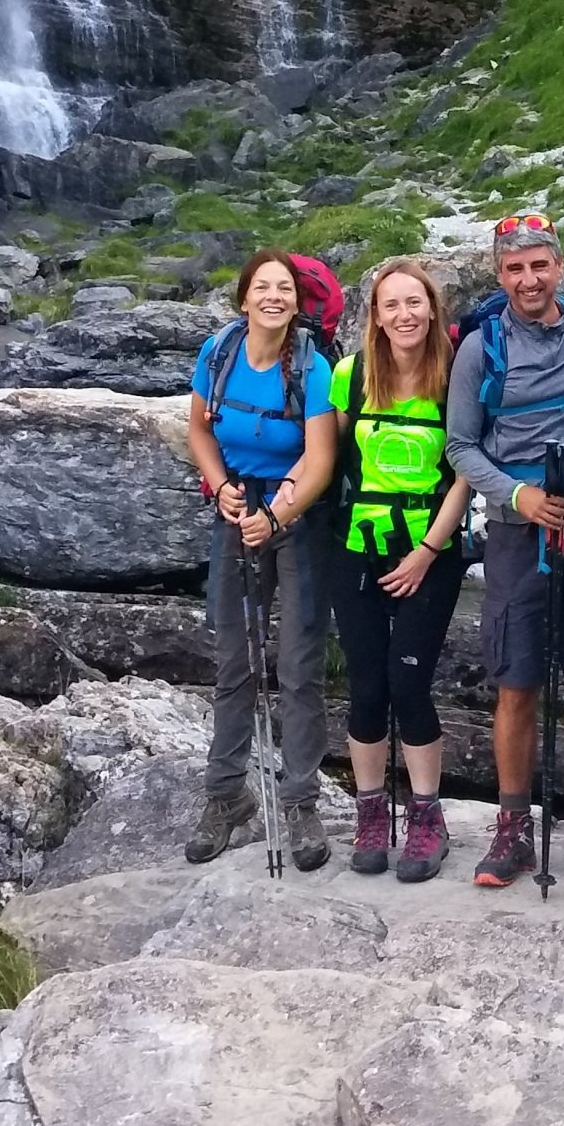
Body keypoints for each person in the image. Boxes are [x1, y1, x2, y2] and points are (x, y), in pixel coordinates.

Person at [446, 210, 564, 887]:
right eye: (515, 268)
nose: (529, 278)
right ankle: (512, 827)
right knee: (516, 683)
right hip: (519, 534)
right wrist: (516, 496)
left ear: (559, 265)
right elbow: (460, 444)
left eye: (539, 264)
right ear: (501, 274)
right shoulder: (479, 349)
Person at [183, 249, 340, 871]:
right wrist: (220, 486)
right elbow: (199, 429)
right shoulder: (217, 353)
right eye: (262, 288)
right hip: (235, 507)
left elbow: (321, 458)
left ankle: (301, 801)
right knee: (233, 661)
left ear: (298, 305)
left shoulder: (312, 365)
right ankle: (227, 795)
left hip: (296, 518)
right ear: (243, 297)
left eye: (285, 290)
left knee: (300, 666)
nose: (273, 297)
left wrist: (277, 514)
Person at [330, 260, 474, 883]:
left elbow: (467, 469)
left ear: (432, 309)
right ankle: (369, 815)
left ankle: (424, 817)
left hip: (429, 551)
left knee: (408, 684)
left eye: (414, 303)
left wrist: (427, 552)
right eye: (391, 305)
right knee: (366, 685)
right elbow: (330, 457)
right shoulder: (352, 373)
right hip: (358, 544)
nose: (404, 315)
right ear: (376, 315)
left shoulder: (456, 375)